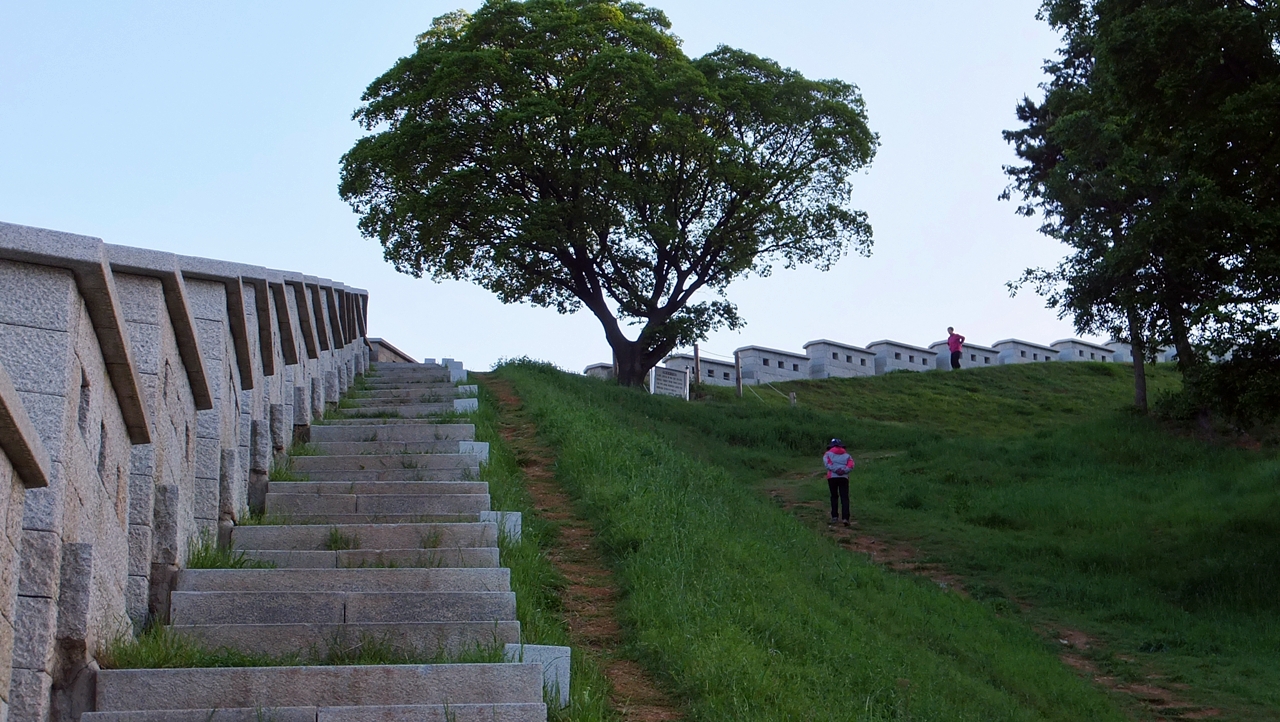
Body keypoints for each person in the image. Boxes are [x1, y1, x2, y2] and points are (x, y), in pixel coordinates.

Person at [823, 438, 855, 527]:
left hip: (832, 477)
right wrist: (843, 470)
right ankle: (845, 518)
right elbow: (851, 465)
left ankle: (834, 517)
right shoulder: (847, 455)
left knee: (834, 496)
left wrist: (836, 470)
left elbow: (828, 464)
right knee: (844, 497)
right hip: (844, 477)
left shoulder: (827, 454)